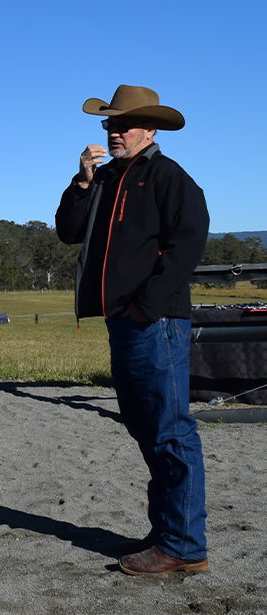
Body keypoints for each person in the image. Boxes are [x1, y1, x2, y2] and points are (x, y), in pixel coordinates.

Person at [55, 85, 210, 576]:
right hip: (124, 322)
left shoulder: (168, 178)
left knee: (170, 431)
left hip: (156, 323)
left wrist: (147, 307)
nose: (114, 132)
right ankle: (170, 529)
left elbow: (187, 246)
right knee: (147, 430)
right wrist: (81, 182)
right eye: (109, 125)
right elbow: (68, 231)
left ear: (151, 129)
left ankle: (183, 546)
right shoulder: (105, 180)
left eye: (123, 125)